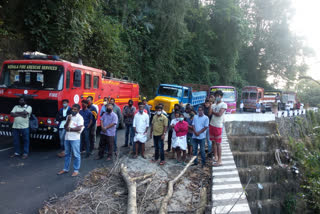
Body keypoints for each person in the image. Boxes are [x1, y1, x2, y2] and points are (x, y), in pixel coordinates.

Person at [57, 104, 84, 177]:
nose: (73, 110)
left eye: (75, 109)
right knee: (67, 154)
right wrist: (68, 120)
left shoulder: (80, 118)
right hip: (67, 138)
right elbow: (65, 127)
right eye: (72, 109)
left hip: (75, 139)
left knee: (76, 155)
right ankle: (65, 169)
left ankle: (76, 170)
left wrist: (70, 129)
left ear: (78, 110)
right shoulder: (69, 116)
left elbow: (79, 128)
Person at [209, 90, 227, 167]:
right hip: (212, 124)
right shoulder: (213, 105)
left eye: (218, 96)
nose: (216, 97)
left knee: (218, 143)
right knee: (213, 142)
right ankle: (215, 157)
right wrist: (211, 104)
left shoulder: (224, 105)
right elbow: (209, 113)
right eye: (215, 96)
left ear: (221, 96)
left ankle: (220, 160)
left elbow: (219, 114)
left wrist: (213, 112)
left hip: (218, 125)